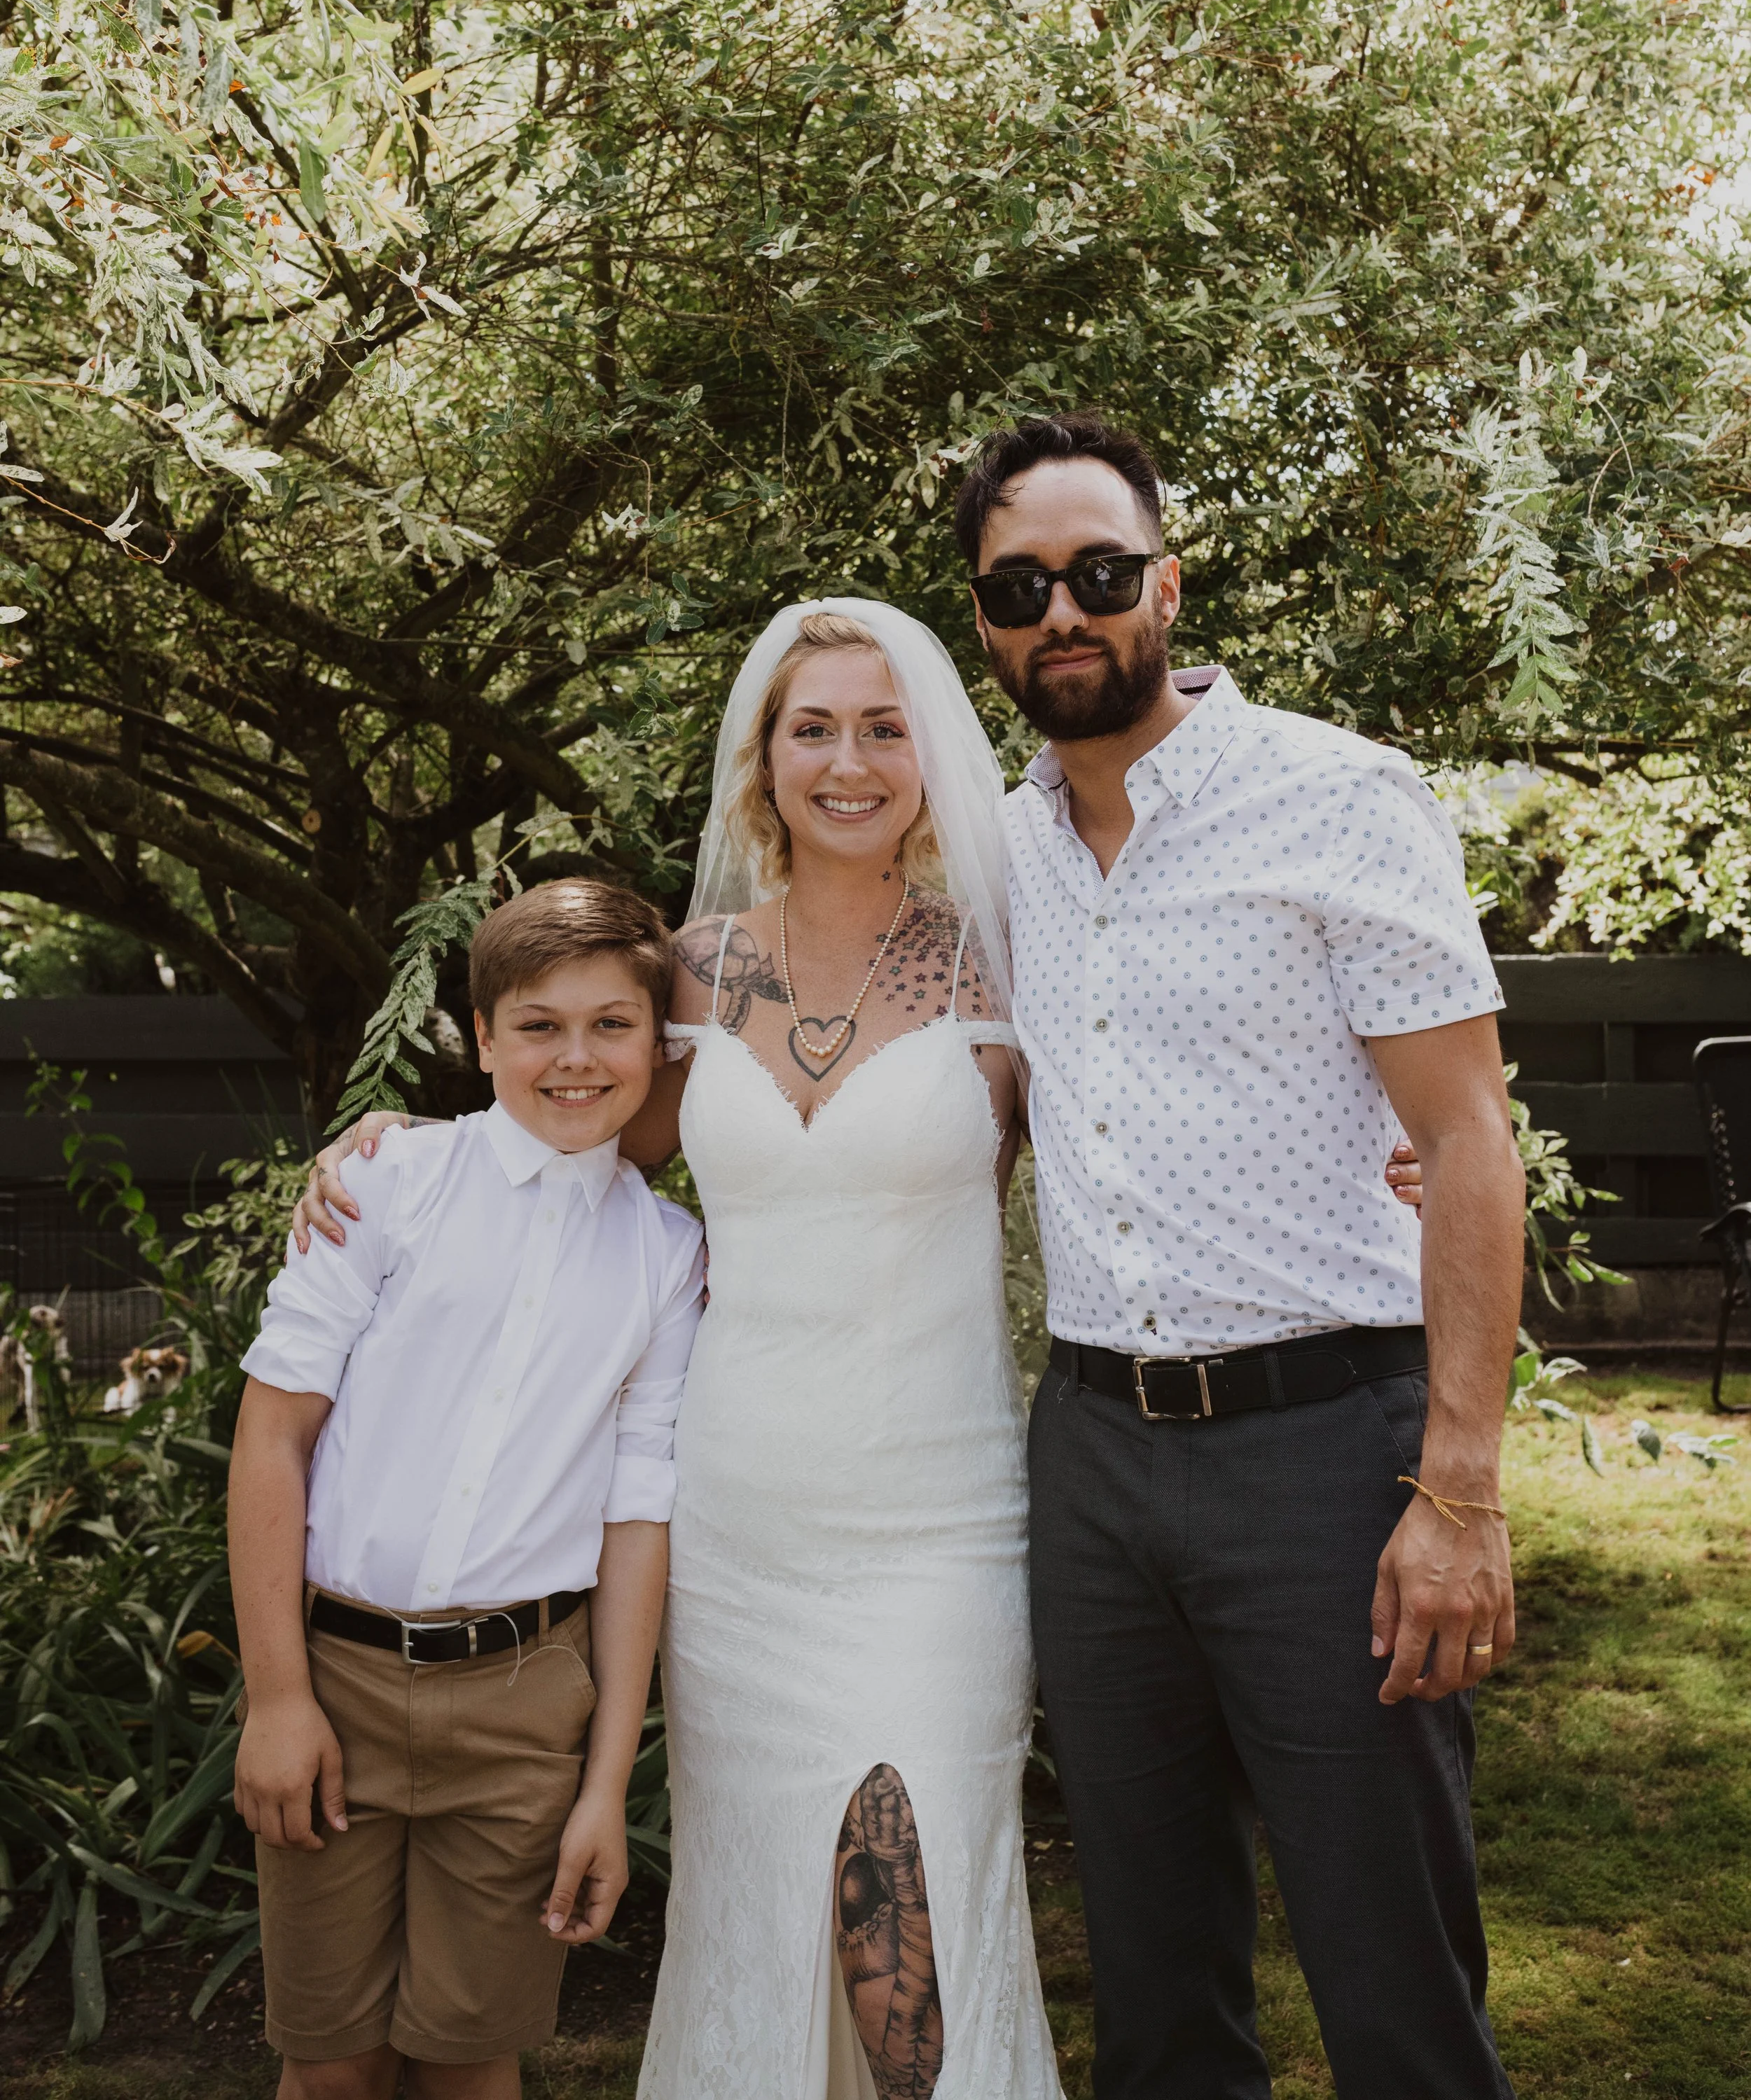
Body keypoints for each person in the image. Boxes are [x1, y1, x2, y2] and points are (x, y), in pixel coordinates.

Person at [296, 617, 1429, 2099]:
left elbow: (1178, 1087)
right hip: (738, 1520)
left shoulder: (1004, 956)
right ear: (762, 760)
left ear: (929, 755)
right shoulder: (689, 977)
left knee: (905, 1896)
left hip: (938, 1523)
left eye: (883, 728)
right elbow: (567, 1147)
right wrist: (397, 1143)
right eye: (811, 728)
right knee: (763, 1898)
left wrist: (1395, 1141)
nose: (848, 760)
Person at [957, 411, 1524, 2100]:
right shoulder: (992, 856)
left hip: (1323, 1451)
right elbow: (782, 985)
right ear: (983, 622)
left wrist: (1459, 1487)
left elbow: (1472, 1135)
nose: (1062, 612)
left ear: (1167, 583)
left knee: (1388, 1967)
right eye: (1018, 587)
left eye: (1099, 573)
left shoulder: (1337, 797)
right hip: (1094, 1455)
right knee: (1150, 1977)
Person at [230, 878, 704, 2100]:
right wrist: (279, 1697)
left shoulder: (666, 1255)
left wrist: (606, 1785)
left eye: (613, 1024)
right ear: (482, 1036)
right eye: (538, 1024)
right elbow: (272, 1439)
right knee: (332, 2063)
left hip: (522, 1710)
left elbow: (637, 1516)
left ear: (659, 1044)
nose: (577, 1056)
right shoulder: (386, 1184)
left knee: (471, 2062)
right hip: (334, 1682)